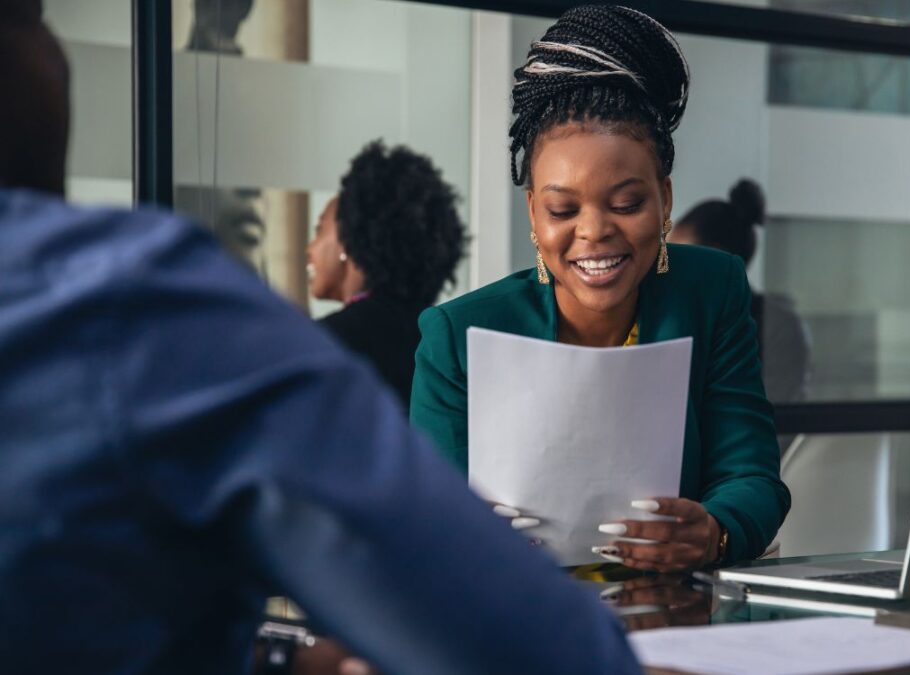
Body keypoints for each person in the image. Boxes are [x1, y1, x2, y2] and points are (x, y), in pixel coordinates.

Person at [0, 4, 641, 674]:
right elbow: (506, 630)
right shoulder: (158, 313)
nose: (309, 246)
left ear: (359, 240)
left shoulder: (168, 320)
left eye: (323, 225)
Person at [410, 5, 791, 572]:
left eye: (626, 203)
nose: (593, 232)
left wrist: (715, 531)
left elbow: (752, 475)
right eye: (563, 209)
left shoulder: (711, 290)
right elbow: (421, 519)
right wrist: (462, 537)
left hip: (670, 616)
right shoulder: (457, 336)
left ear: (664, 200)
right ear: (534, 214)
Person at [308, 141, 465, 405]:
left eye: (319, 229)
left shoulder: (327, 343)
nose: (309, 248)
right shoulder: (442, 338)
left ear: (348, 237)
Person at [669, 180, 812, 404]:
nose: (672, 272)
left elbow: (775, 422)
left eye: (682, 260)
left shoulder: (777, 328)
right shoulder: (678, 320)